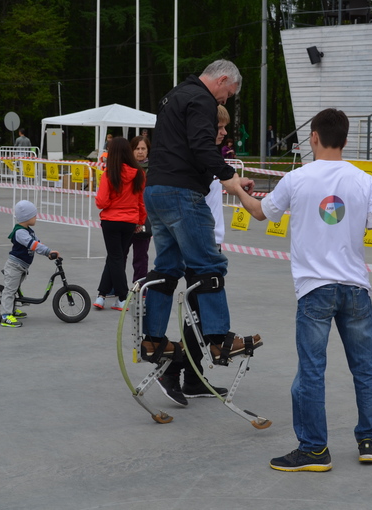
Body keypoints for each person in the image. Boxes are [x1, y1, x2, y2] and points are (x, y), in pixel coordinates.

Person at [229, 108, 372, 472]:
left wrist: (234, 189)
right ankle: (369, 440)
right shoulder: (362, 180)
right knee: (365, 368)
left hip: (314, 290)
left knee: (311, 371)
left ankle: (314, 450)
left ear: (313, 137)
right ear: (345, 138)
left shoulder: (298, 179)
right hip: (355, 288)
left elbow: (260, 212)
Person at [141, 59, 261, 404]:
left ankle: (154, 339)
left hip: (157, 191)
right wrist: (232, 180)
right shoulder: (203, 100)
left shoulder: (173, 96)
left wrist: (229, 180)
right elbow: (201, 146)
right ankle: (219, 338)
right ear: (222, 80)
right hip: (181, 195)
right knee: (209, 266)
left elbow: (180, 149)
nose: (224, 102)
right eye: (227, 95)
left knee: (167, 268)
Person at [156, 104, 233, 406]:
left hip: (208, 246)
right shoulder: (198, 164)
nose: (225, 133)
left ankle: (194, 376)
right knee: (196, 317)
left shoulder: (210, 162)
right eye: (221, 128)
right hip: (199, 248)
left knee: (197, 318)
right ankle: (172, 370)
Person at [93, 136, 146, 311]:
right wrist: (140, 220)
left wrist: (111, 204)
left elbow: (101, 201)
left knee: (115, 257)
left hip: (111, 220)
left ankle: (122, 297)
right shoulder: (139, 174)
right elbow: (141, 201)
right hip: (130, 221)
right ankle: (101, 295)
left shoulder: (110, 174)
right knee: (115, 256)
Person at [1, 200, 59, 327]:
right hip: (14, 266)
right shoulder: (20, 232)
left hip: (22, 266)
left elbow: (38, 243)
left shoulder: (29, 230)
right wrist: (48, 251)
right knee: (10, 290)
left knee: (15, 288)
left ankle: (12, 310)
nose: (36, 217)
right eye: (34, 215)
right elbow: (33, 245)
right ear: (26, 217)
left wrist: (48, 252)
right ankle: (6, 316)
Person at [129, 135, 151, 283]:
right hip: (126, 216)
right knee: (119, 255)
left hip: (145, 217)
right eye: (137, 149)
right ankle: (114, 288)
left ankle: (140, 288)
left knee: (141, 255)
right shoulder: (126, 168)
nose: (140, 152)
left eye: (143, 148)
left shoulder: (154, 170)